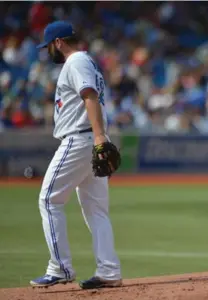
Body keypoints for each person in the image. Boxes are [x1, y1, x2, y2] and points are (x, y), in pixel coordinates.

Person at [30, 21, 122, 289]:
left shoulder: (76, 61)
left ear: (58, 42)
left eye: (48, 46)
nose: (48, 51)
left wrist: (98, 137)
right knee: (96, 211)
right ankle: (109, 271)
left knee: (49, 199)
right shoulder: (85, 61)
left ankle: (60, 268)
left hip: (80, 139)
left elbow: (89, 96)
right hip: (86, 138)